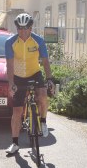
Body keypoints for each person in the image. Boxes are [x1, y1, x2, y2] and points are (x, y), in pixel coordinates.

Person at [4, 12, 54, 155]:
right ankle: (14, 143)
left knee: (43, 95)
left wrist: (49, 78)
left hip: (34, 73)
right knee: (17, 112)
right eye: (20, 28)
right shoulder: (10, 42)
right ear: (16, 28)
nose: (23, 31)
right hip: (18, 76)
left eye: (26, 28)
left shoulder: (39, 41)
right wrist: (11, 83)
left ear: (31, 28)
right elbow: (10, 65)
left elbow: (45, 61)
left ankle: (43, 121)